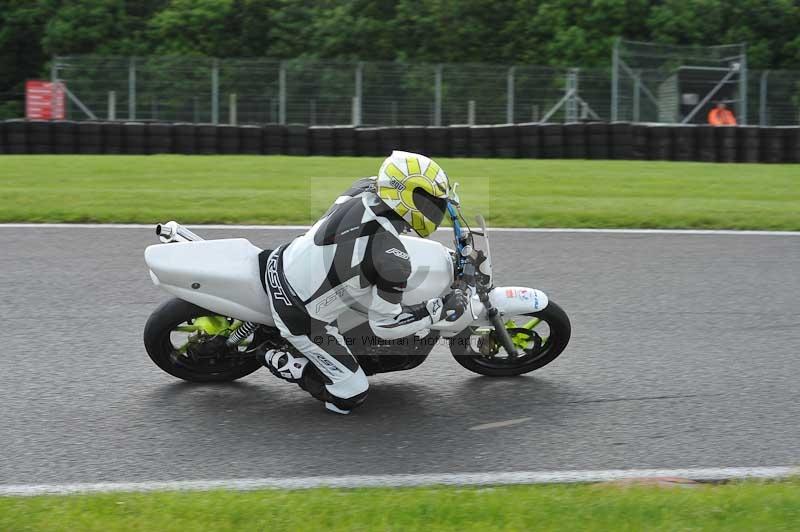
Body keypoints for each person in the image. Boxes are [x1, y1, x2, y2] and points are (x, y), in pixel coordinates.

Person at [261, 151, 468, 414]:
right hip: (299, 311)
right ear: (406, 197)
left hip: (285, 256)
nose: (435, 209)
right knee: (350, 395)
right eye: (427, 201)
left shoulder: (365, 187)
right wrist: (438, 309)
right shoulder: (391, 258)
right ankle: (280, 358)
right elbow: (386, 326)